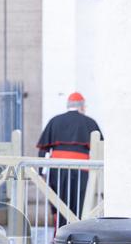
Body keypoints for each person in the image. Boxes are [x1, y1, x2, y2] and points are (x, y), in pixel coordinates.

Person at [36, 92, 103, 226]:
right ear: (82, 107)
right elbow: (100, 149)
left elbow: (43, 149)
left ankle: (60, 233)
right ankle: (75, 234)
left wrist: (40, 172)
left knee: (58, 201)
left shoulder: (54, 121)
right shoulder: (90, 122)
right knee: (78, 202)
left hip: (57, 169)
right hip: (82, 169)